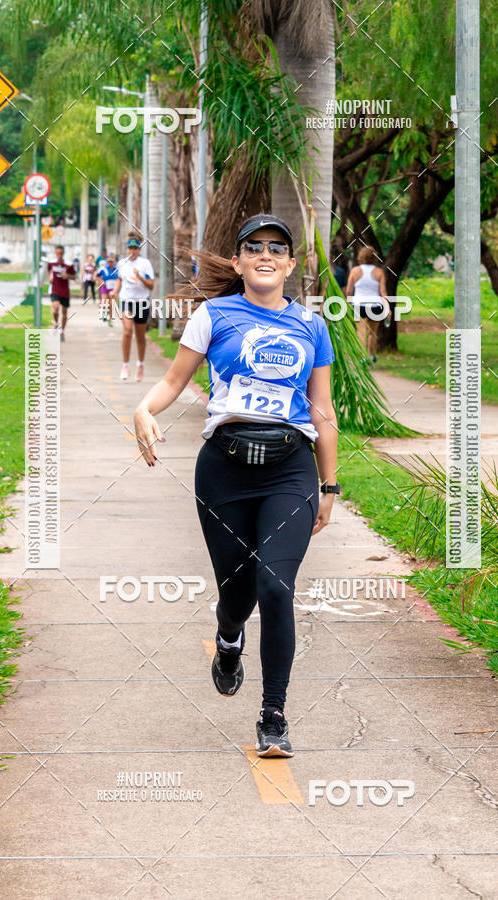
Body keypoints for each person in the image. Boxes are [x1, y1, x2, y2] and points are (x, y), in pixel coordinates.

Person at [134, 214, 339, 757]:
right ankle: (229, 638)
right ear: (239, 262)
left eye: (277, 248)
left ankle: (273, 714)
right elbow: (173, 381)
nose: (266, 254)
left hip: (289, 468)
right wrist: (143, 408)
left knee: (276, 587)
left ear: (290, 265)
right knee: (237, 592)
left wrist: (330, 484)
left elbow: (323, 409)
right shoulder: (213, 314)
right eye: (254, 247)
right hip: (223, 469)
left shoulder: (312, 326)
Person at [112, 231, 154, 382]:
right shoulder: (121, 263)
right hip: (126, 301)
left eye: (135, 248)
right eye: (130, 248)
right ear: (127, 249)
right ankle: (125, 366)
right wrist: (115, 292)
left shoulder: (145, 264)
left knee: (140, 336)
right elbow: (119, 280)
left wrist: (141, 277)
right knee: (128, 331)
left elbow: (151, 286)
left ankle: (140, 365)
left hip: (142, 302)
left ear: (139, 250)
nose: (132, 251)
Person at [345, 245, 388, 363]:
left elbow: (349, 291)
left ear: (361, 256)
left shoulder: (355, 271)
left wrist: (348, 304)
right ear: (374, 257)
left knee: (361, 331)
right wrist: (388, 308)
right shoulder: (379, 272)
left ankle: (362, 357)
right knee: (372, 333)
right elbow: (383, 292)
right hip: (376, 305)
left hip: (359, 305)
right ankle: (371, 356)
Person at [48, 245, 75, 341]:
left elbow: (74, 276)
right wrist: (49, 278)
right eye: (57, 253)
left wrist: (67, 275)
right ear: (55, 253)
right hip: (55, 289)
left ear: (63, 253)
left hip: (65, 291)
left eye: (61, 253)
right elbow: (48, 270)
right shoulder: (51, 263)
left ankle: (62, 331)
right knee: (55, 308)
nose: (59, 255)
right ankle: (56, 323)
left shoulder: (69, 264)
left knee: (64, 312)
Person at [96, 252, 119, 327]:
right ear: (106, 261)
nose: (110, 263)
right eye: (109, 261)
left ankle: (110, 321)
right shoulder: (103, 268)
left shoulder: (117, 269)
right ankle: (104, 313)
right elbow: (97, 276)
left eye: (112, 261)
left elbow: (120, 279)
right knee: (105, 303)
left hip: (113, 288)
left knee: (112, 304)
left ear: (114, 260)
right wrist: (101, 281)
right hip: (105, 288)